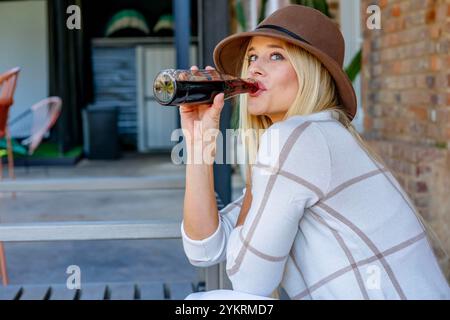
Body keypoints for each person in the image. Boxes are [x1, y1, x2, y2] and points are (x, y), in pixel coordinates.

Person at [179, 5, 450, 300]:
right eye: (252, 56)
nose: (254, 68)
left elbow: (247, 280)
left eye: (276, 55)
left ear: (311, 73)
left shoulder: (299, 139)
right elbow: (204, 248)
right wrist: (199, 146)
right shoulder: (309, 140)